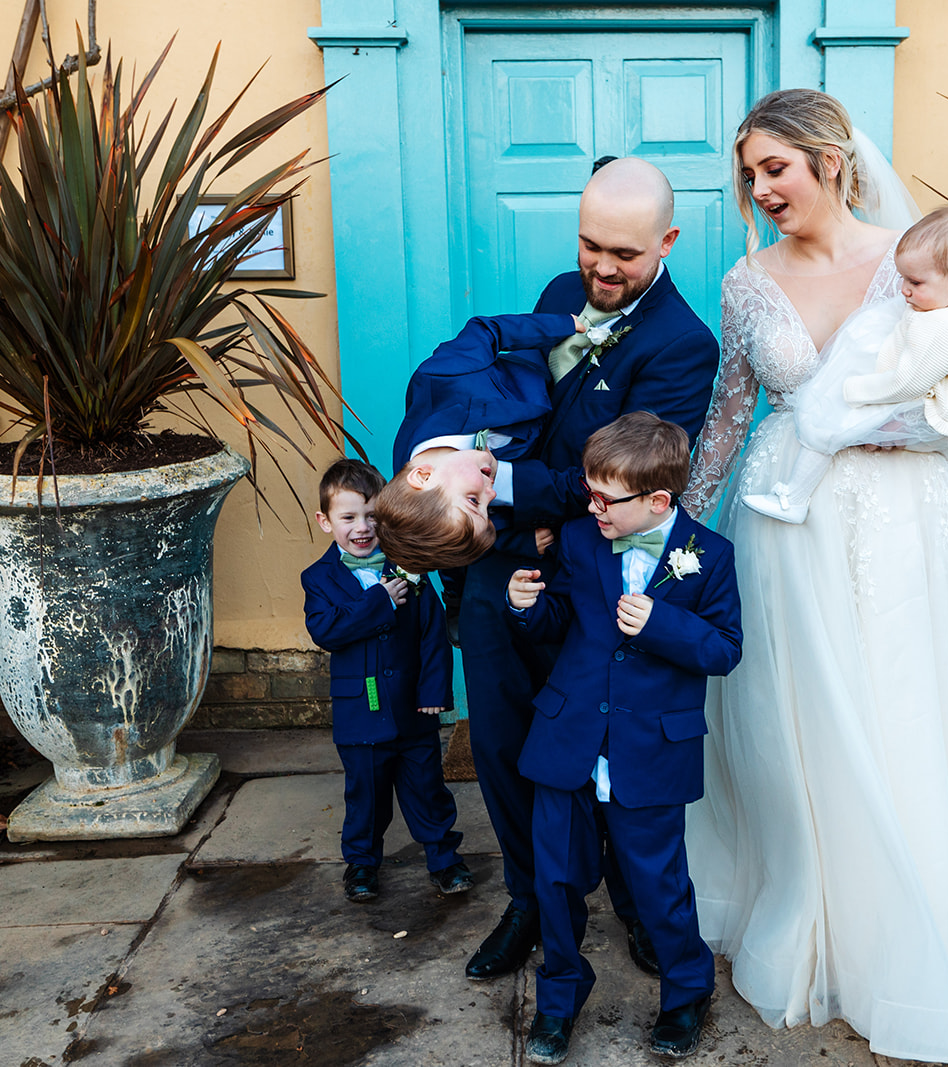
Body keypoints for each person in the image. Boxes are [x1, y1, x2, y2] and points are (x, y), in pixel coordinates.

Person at [683, 89, 948, 1064]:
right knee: (806, 725)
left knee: (912, 712)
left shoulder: (911, 259)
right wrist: (687, 528)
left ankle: (934, 930)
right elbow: (726, 411)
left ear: (830, 159)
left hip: (908, 521)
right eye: (749, 174)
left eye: (775, 168)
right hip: (787, 526)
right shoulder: (748, 281)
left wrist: (889, 423)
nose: (760, 189)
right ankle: (825, 912)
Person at [457, 157, 722, 985]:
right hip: (499, 560)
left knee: (607, 748)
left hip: (595, 581)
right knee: (501, 742)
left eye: (625, 255)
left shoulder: (684, 347)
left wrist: (508, 488)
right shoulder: (552, 295)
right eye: (589, 245)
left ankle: (639, 906)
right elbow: (513, 408)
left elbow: (637, 481)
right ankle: (529, 899)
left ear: (667, 242)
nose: (602, 268)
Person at [506, 412, 743, 1064]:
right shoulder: (581, 541)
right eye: (589, 490)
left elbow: (725, 648)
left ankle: (686, 990)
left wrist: (662, 623)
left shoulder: (711, 556)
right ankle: (558, 998)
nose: (592, 505)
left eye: (607, 497)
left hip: (651, 750)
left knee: (656, 886)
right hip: (568, 736)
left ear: (658, 501)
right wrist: (527, 607)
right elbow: (562, 615)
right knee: (554, 879)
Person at [742, 205, 948, 523]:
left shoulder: (939, 326)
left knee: (828, 422)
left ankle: (794, 497)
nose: (903, 289)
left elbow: (909, 382)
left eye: (915, 283)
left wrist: (854, 389)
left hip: (932, 412)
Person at [301, 459, 472, 903]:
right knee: (366, 798)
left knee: (427, 789)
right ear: (326, 522)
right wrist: (379, 600)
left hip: (413, 709)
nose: (362, 528)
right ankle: (361, 863)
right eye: (349, 517)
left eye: (372, 516)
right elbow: (327, 631)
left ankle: (443, 857)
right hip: (361, 715)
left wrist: (435, 691)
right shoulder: (320, 579)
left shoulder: (410, 568)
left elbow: (432, 634)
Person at [372, 310, 584, 575]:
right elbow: (482, 528)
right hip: (557, 440)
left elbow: (487, 330)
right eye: (486, 508)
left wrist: (560, 323)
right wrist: (519, 540)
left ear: (424, 476)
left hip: (539, 370)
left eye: (474, 501)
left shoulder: (441, 379)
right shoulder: (449, 494)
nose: (491, 496)